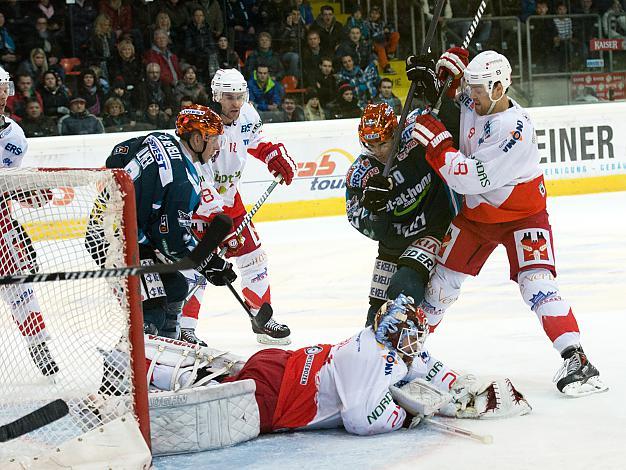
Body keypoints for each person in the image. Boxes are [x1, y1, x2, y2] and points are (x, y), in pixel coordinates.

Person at [409, 48, 608, 397]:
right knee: (442, 284)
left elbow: (466, 177)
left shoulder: (513, 130)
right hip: (477, 215)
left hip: (522, 214)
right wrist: (445, 73)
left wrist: (439, 146)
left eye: (479, 88)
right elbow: (456, 94)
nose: (471, 96)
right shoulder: (478, 99)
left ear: (499, 88)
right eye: (471, 87)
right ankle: (406, 352)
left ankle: (577, 358)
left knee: (537, 283)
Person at [144, 294, 531, 444]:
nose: (418, 344)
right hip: (277, 398)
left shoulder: (379, 342)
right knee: (197, 395)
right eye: (412, 335)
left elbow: (422, 367)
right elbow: (362, 420)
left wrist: (453, 389)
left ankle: (144, 360)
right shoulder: (373, 359)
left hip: (282, 365)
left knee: (214, 375)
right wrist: (403, 415)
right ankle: (139, 376)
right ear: (396, 336)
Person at [94, 104, 237, 338]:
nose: (218, 147)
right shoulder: (183, 180)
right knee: (152, 311)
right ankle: (120, 368)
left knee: (176, 287)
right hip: (114, 240)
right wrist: (209, 263)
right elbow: (172, 243)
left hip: (119, 228)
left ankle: (169, 350)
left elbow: (117, 155)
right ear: (198, 139)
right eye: (214, 139)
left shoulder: (159, 138)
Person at [178, 68, 296, 346]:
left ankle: (262, 318)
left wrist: (273, 154)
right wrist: (218, 220)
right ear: (217, 96)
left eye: (240, 96)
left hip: (231, 200)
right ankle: (184, 328)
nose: (236, 104)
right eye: (230, 97)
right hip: (200, 206)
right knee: (198, 268)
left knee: (255, 258)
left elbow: (254, 140)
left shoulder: (248, 115)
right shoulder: (202, 123)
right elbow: (195, 172)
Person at [345, 99, 460, 327]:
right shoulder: (360, 174)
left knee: (403, 292)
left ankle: (400, 354)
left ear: (395, 132)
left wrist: (432, 89)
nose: (377, 152)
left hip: (430, 227)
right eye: (370, 145)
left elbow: (455, 124)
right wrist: (375, 211)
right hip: (392, 244)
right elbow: (365, 224)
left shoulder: (416, 133)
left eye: (383, 143)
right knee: (374, 317)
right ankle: (373, 359)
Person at [0, 66, 58, 376]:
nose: (0, 95)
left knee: (19, 287)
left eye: (2, 88)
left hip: (1, 222)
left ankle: (38, 344)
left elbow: (10, 182)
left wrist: (29, 192)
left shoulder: (15, 135)